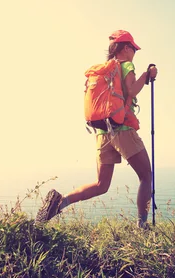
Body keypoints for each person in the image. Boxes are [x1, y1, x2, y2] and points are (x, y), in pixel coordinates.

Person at [36, 30, 158, 228]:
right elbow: (132, 90)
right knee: (146, 176)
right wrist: (147, 75)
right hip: (122, 129)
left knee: (101, 185)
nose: (135, 52)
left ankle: (59, 203)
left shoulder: (104, 72)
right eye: (134, 49)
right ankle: (142, 227)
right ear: (126, 48)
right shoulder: (126, 65)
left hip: (102, 133)